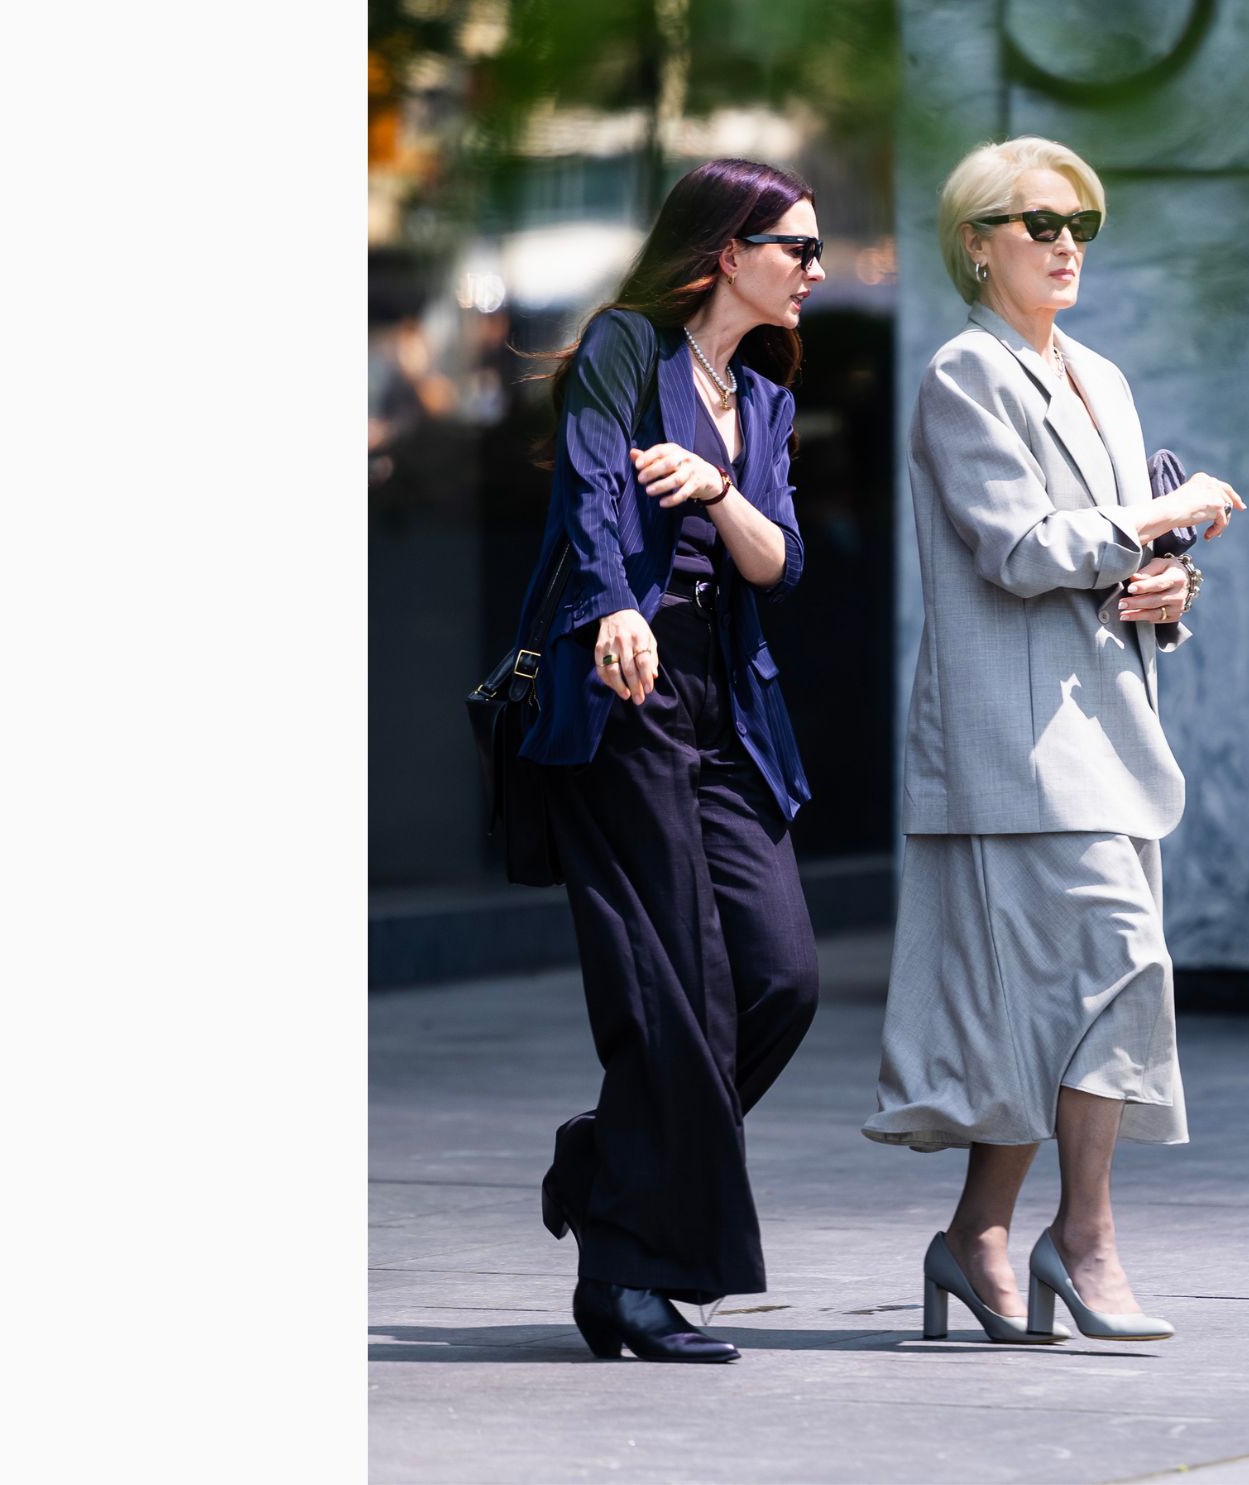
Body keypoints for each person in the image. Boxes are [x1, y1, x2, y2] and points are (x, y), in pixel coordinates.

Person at [863, 138, 1247, 1345]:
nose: (1067, 238)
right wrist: (1156, 516)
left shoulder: (1105, 379)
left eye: (1082, 216)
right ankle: (1080, 1241)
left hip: (1110, 733)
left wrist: (1162, 591)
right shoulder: (962, 375)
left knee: (1051, 1005)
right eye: (1036, 221)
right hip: (1013, 742)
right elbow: (1022, 547)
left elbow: (1108, 567)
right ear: (976, 244)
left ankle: (979, 1235)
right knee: (1114, 969)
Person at [509, 158, 829, 1364]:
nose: (811, 269)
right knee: (673, 987)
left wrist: (719, 485)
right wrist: (611, 611)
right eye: (794, 247)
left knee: (779, 979)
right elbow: (595, 492)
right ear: (726, 251)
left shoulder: (764, 401)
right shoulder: (624, 352)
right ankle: (628, 1278)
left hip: (725, 705)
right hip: (623, 687)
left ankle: (607, 1159)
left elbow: (779, 562)